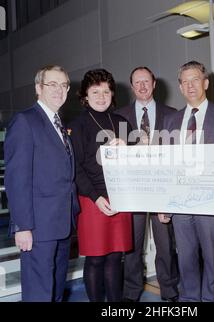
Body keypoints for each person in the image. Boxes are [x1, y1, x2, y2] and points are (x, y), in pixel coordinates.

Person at [159, 61, 214, 302]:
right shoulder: (171, 120)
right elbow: (166, 163)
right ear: (180, 87)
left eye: (195, 80)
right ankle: (190, 300)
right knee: (185, 256)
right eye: (185, 81)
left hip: (211, 201)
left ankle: (212, 299)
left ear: (205, 83)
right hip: (180, 201)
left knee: (213, 256)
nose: (190, 85)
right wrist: (164, 203)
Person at [4, 65, 80, 301]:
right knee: (39, 292)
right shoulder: (25, 121)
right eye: (52, 84)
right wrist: (22, 226)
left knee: (56, 289)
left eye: (64, 85)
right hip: (37, 227)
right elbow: (17, 179)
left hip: (62, 223)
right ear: (38, 88)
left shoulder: (59, 123)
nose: (59, 90)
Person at [115, 66, 179, 302]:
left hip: (162, 189)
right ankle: (131, 292)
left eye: (146, 81)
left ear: (154, 84)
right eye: (137, 83)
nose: (142, 86)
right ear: (132, 87)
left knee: (165, 245)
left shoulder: (172, 114)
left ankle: (169, 290)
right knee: (131, 245)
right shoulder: (119, 116)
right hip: (134, 190)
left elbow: (178, 155)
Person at [69, 69, 132, 302]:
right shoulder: (77, 125)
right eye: (95, 91)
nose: (101, 96)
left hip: (121, 198)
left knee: (116, 257)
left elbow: (140, 164)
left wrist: (130, 149)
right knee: (96, 259)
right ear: (85, 95)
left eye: (106, 91)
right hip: (92, 200)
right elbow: (76, 169)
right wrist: (97, 197)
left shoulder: (122, 122)